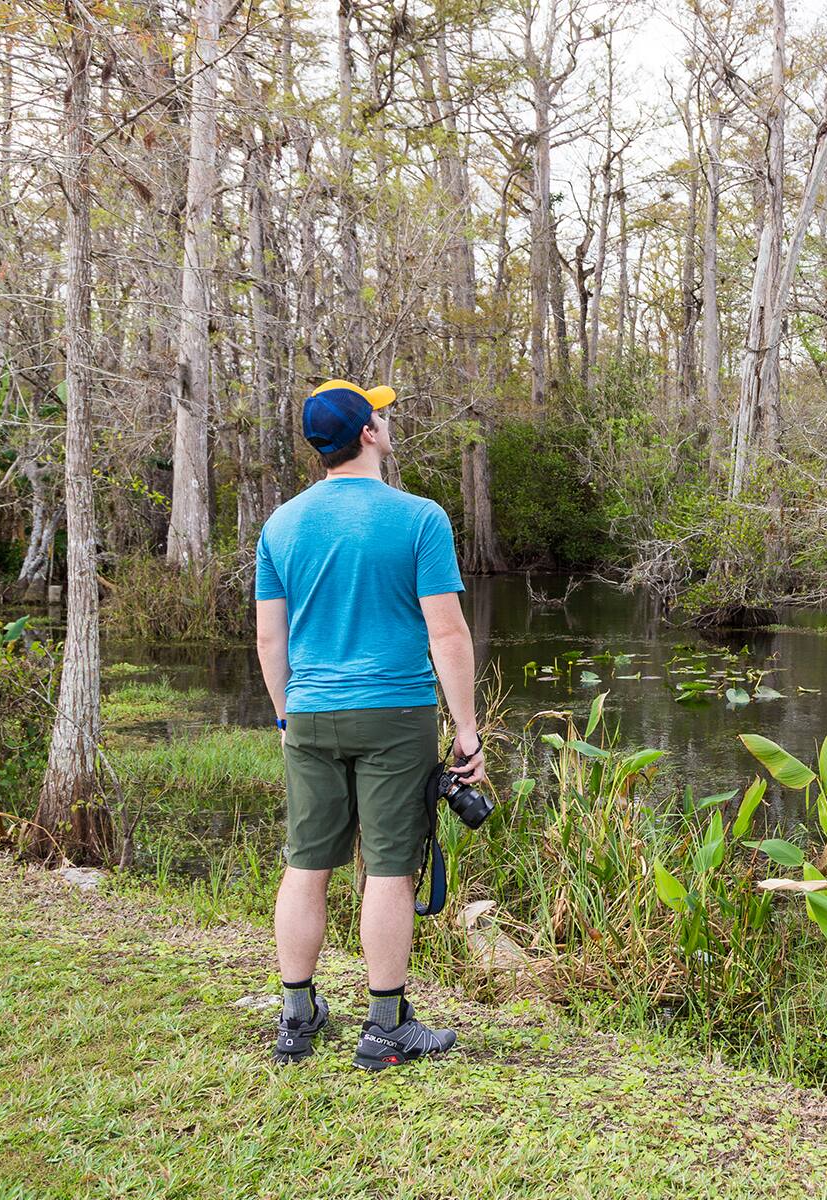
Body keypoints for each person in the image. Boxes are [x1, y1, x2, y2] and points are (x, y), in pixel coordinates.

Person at [254, 378, 486, 1070]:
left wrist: (286, 717)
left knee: (306, 864)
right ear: (367, 435)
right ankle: (384, 1029)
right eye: (380, 415)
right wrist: (467, 732)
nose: (387, 421)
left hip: (312, 712)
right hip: (395, 714)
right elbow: (447, 634)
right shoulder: (420, 518)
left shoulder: (282, 524)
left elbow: (271, 642)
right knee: (389, 870)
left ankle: (298, 1018)